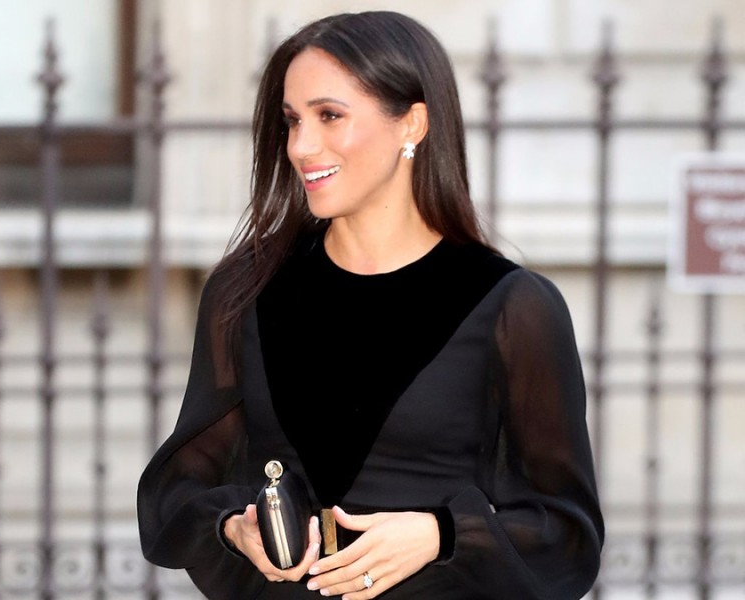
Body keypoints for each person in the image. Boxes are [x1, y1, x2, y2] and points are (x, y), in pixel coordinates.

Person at [137, 10, 604, 600]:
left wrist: (441, 534)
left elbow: (567, 533)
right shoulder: (246, 291)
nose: (302, 146)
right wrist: (236, 527)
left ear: (412, 123)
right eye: (292, 120)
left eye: (329, 116)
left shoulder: (512, 306)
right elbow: (179, 489)